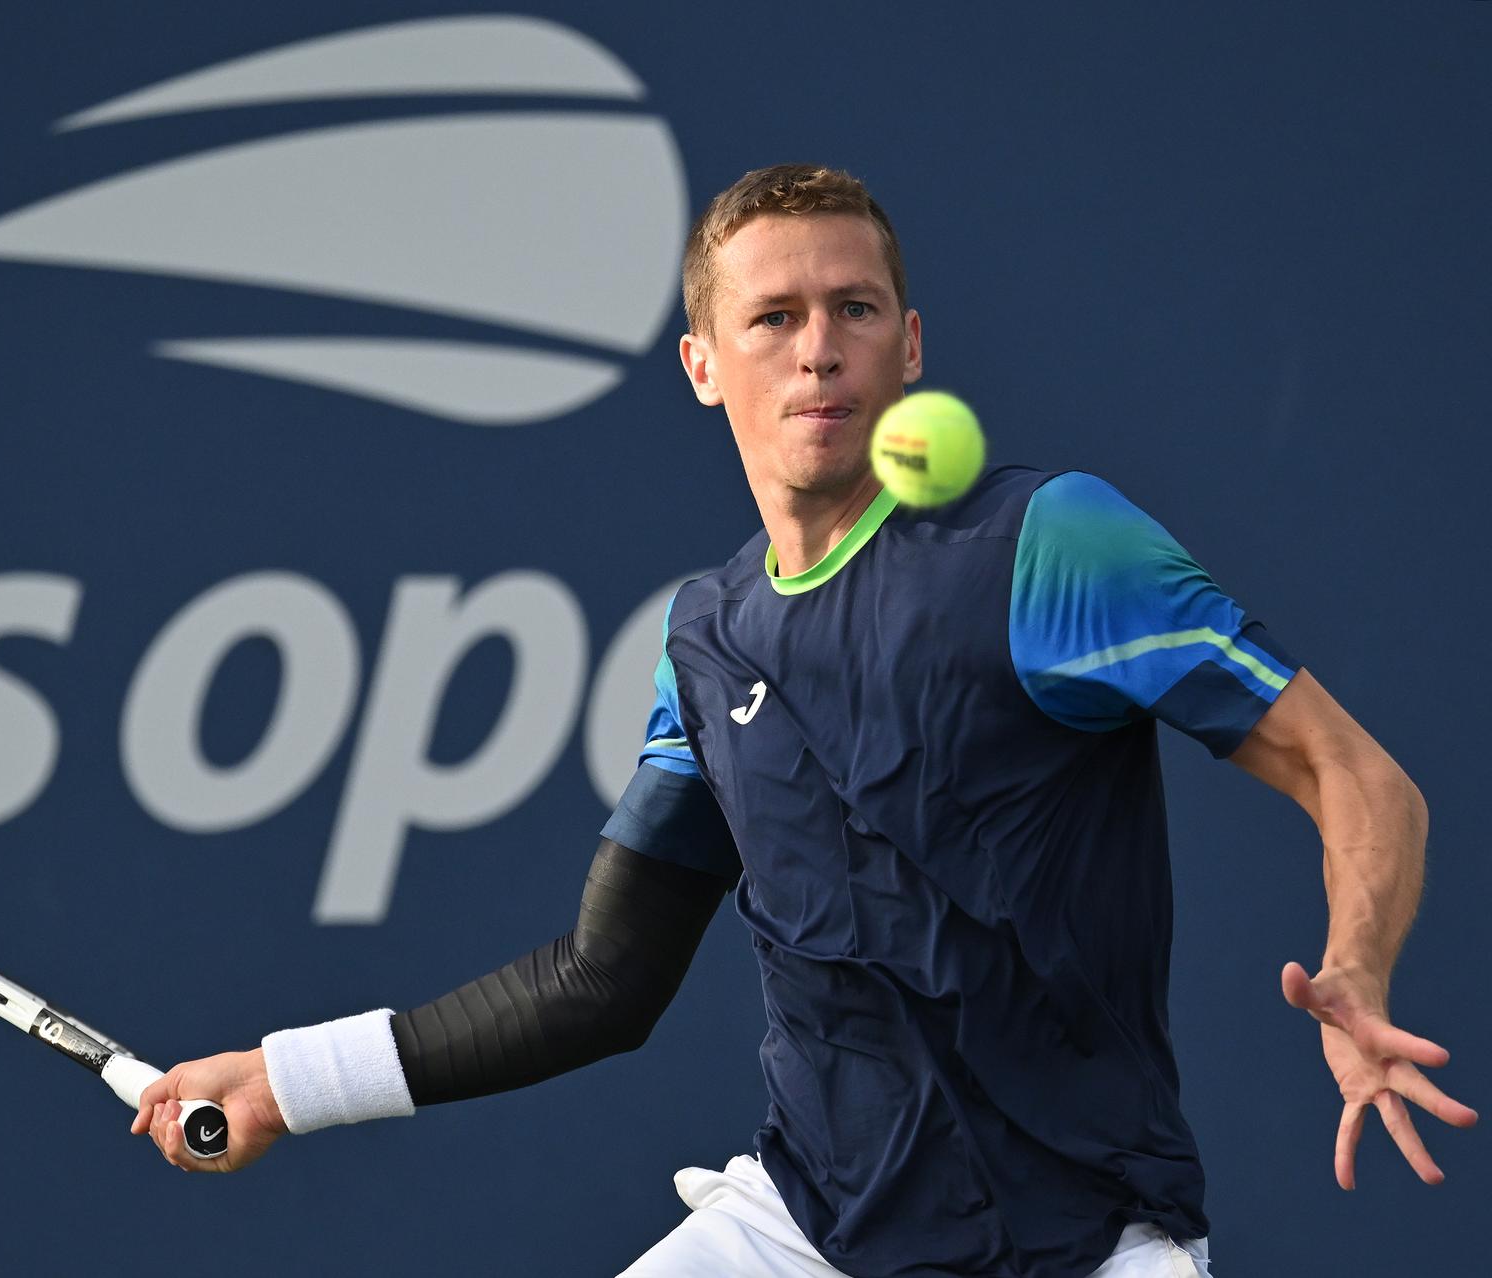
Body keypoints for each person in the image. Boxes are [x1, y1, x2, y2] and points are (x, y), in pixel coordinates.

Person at [130, 166, 1476, 1277]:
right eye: (773, 317)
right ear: (703, 365)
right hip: (810, 1229)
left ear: (913, 344)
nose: (820, 346)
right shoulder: (706, 636)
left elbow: (1357, 776)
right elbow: (602, 981)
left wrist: (1357, 963)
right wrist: (284, 1079)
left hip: (1087, 1242)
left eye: (855, 307)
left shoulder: (1045, 545)